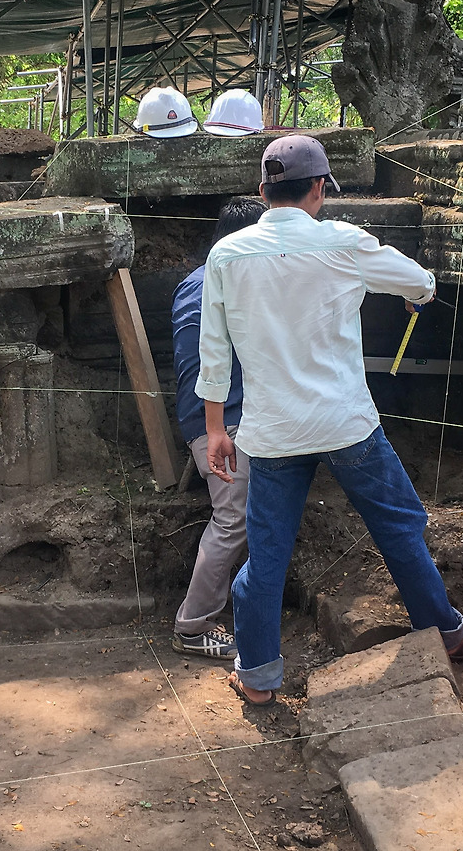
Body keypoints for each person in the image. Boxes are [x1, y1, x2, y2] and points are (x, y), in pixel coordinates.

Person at [196, 135, 463, 707]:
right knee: (400, 527)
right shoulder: (344, 242)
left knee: (267, 554)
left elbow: (214, 352)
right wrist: (417, 295)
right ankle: (449, 635)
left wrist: (215, 429)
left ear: (262, 191)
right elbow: (420, 282)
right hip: (346, 424)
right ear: (320, 188)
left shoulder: (226, 255)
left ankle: (257, 677)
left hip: (273, 433)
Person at [171, 197, 266, 660]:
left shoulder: (196, 281)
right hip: (221, 420)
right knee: (233, 517)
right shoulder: (222, 285)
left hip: (213, 416)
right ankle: (192, 626)